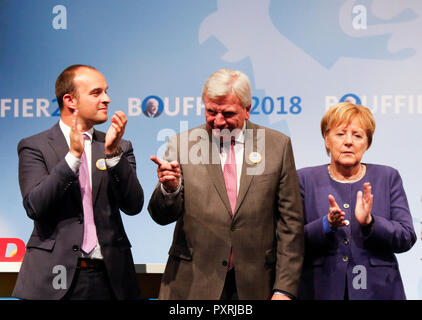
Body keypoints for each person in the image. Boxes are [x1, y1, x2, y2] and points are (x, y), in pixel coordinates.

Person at [148, 69, 304, 300]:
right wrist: (170, 189)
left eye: (228, 113)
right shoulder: (181, 145)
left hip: (256, 285)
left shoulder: (276, 146)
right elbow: (161, 216)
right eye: (211, 111)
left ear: (247, 110)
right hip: (192, 285)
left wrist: (284, 288)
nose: (218, 121)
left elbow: (291, 224)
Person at [13, 64, 144, 300]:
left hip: (111, 280)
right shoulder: (34, 146)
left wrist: (113, 154)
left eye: (106, 91)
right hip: (52, 280)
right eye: (96, 93)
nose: (107, 99)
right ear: (70, 100)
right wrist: (72, 158)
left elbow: (134, 205)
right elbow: (35, 206)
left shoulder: (120, 145)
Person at [297, 102, 416, 300]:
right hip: (319, 290)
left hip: (379, 291)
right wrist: (326, 225)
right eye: (340, 134)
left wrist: (371, 223)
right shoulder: (304, 179)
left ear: (367, 143)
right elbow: (289, 241)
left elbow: (406, 237)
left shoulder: (387, 177)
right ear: (326, 139)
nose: (349, 142)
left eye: (358, 135)